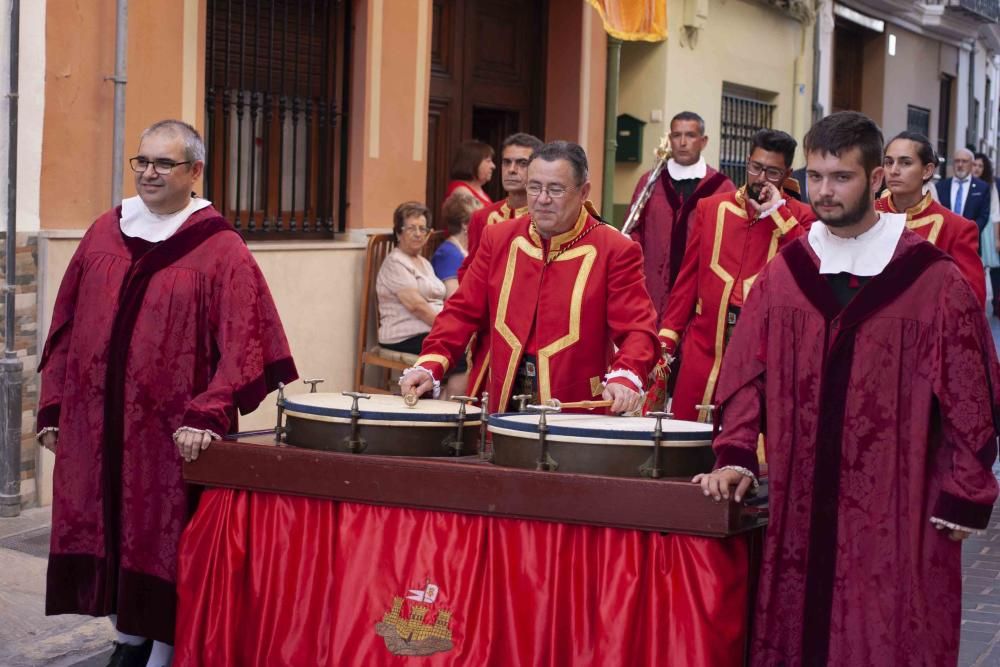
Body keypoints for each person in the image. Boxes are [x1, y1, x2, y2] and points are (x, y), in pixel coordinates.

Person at [698, 111, 1000, 665]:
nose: (825, 191)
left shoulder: (930, 279)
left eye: (841, 177)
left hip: (897, 503)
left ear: (876, 179)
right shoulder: (788, 271)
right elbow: (746, 373)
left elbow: (971, 392)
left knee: (887, 633)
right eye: (815, 176)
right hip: (801, 499)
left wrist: (967, 491)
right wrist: (736, 452)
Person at [37, 120, 298, 667]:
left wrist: (209, 411)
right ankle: (128, 641)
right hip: (98, 427)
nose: (149, 174)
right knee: (106, 529)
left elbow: (246, 339)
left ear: (194, 172)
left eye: (164, 164)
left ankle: (165, 652)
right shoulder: (104, 232)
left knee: (165, 543)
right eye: (142, 162)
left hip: (171, 439)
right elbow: (65, 324)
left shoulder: (220, 249)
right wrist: (56, 404)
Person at [399, 141, 658, 415]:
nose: (542, 199)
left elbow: (638, 329)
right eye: (534, 187)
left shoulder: (615, 248)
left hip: (575, 410)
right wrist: (430, 364)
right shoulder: (498, 238)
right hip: (503, 400)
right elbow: (461, 311)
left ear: (584, 192)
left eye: (555, 189)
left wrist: (625, 374)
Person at [655, 129, 816, 420]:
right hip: (705, 349)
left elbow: (809, 266)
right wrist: (667, 339)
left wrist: (777, 212)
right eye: (755, 167)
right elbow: (688, 281)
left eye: (772, 172)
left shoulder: (801, 217)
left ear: (788, 173)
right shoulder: (712, 208)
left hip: (763, 354)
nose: (761, 178)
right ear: (746, 162)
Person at [627, 111, 736, 320]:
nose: (683, 142)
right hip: (653, 292)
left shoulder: (722, 188)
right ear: (669, 140)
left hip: (699, 293)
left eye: (690, 135)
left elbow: (729, 244)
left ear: (703, 141)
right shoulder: (650, 182)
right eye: (677, 136)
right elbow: (634, 232)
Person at [876, 132, 985, 305]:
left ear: (927, 171)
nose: (894, 171)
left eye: (905, 163)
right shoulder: (867, 215)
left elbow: (970, 300)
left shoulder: (957, 228)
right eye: (889, 162)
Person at [377, 201, 466, 395]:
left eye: (422, 228)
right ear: (398, 232)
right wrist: (449, 329)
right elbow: (417, 306)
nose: (418, 233)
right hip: (403, 335)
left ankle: (446, 402)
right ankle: (449, 409)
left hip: (430, 328)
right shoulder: (395, 262)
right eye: (411, 228)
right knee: (459, 354)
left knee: (469, 346)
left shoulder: (424, 262)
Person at [458, 132, 544, 282]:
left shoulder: (548, 218)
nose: (511, 169)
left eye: (522, 163)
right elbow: (470, 271)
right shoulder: (481, 217)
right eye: (506, 162)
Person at [431, 191, 483, 297]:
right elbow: (453, 296)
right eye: (479, 220)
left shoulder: (468, 249)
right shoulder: (447, 253)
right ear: (465, 224)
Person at [936, 147, 990, 236]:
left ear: (972, 164)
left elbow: (983, 217)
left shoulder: (982, 188)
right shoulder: (940, 186)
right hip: (944, 240)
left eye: (964, 161)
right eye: (957, 161)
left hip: (970, 240)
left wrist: (969, 233)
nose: (960, 165)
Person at [973, 152, 1000, 316]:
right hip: (974, 228)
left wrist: (997, 239)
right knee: (977, 267)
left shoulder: (990, 185)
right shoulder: (967, 185)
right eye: (974, 165)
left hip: (988, 230)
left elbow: (997, 213)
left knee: (995, 269)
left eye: (980, 166)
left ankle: (997, 302)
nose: (976, 168)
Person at [444, 140, 495, 207]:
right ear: (473, 163)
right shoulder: (461, 191)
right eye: (488, 161)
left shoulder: (480, 191)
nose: (493, 166)